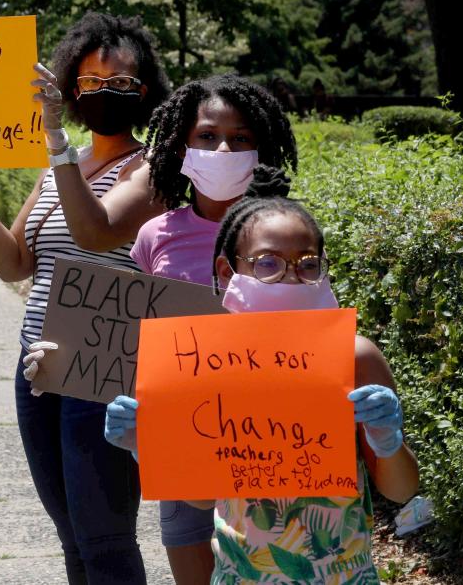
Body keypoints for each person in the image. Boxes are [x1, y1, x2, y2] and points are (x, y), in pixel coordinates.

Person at [24, 74, 299, 584]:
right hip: (184, 449)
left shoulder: (288, 230)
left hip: (272, 447)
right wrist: (66, 362)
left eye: (241, 139)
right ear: (181, 145)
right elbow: (135, 336)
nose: (223, 149)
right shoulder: (156, 234)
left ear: (262, 146)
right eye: (208, 136)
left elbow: (314, 331)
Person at [105, 167, 420, 583]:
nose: (291, 276)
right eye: (267, 263)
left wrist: (387, 440)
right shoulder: (206, 363)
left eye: (308, 264)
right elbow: (201, 499)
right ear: (225, 271)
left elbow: (400, 490)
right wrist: (145, 446)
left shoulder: (355, 357)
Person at [0, 12, 169, 584]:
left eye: (120, 82)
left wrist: (58, 142)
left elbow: (96, 231)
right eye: (92, 81)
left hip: (105, 368)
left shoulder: (150, 169)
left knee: (105, 539)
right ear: (71, 88)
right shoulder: (55, 170)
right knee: (71, 537)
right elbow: (15, 263)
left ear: (145, 93)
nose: (105, 92)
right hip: (37, 366)